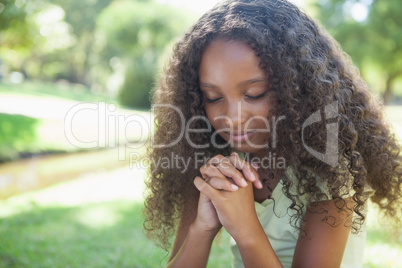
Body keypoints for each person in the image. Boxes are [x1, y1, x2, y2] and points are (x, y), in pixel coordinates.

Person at [144, 0, 401, 267]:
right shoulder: (213, 157)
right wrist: (202, 228)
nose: (232, 118)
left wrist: (246, 229)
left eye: (254, 94)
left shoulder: (330, 166)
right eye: (212, 97)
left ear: (298, 88)